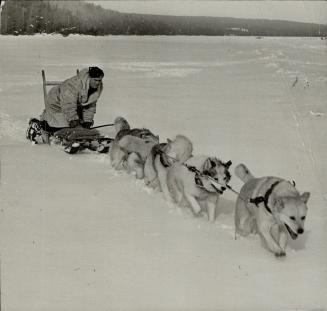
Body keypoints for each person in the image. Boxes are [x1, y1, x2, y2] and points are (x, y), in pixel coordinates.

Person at [26, 66, 104, 143]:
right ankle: (38, 125)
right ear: (89, 78)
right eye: (95, 80)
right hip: (57, 102)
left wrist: (87, 121)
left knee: (80, 125)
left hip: (75, 105)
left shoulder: (96, 88)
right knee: (59, 126)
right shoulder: (73, 85)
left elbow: (90, 105)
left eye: (100, 80)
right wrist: (73, 119)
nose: (98, 83)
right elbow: (68, 104)